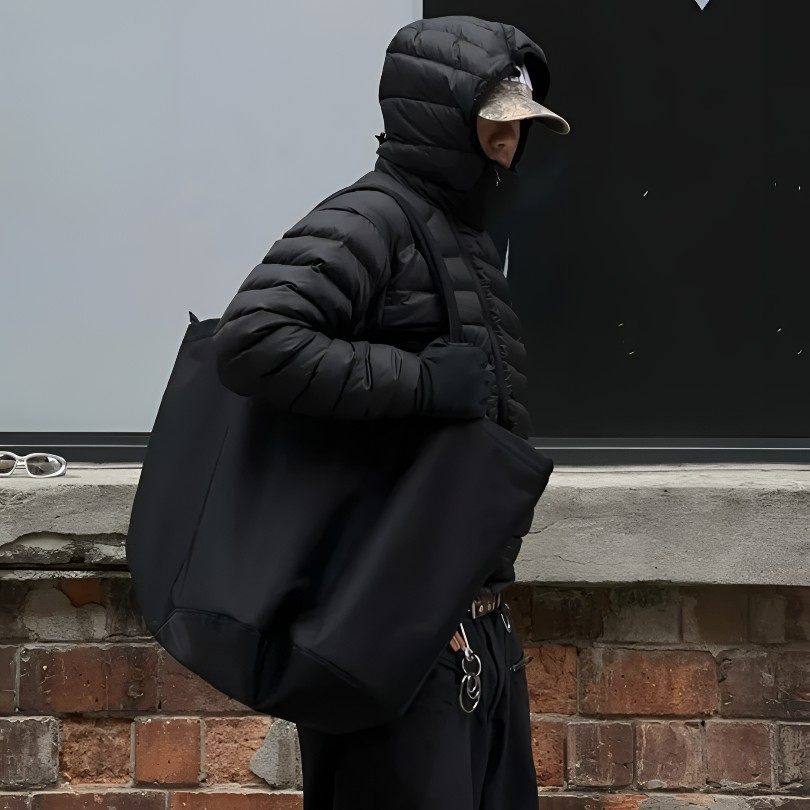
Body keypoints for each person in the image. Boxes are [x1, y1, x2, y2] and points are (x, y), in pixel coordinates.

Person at [213, 14, 569, 810]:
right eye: (493, 127)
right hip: (395, 639)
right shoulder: (373, 218)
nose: (508, 147)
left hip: (465, 624)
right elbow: (255, 339)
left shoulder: (458, 233)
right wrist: (420, 382)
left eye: (518, 132)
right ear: (441, 119)